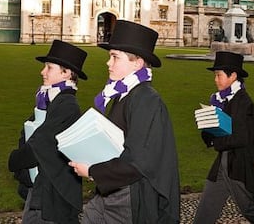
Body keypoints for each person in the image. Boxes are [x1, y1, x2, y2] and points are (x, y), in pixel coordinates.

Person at [69, 20, 180, 223]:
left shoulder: (146, 99)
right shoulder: (124, 94)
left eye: (114, 57)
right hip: (111, 188)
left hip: (129, 196)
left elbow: (138, 161)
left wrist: (92, 171)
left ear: (136, 63)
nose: (108, 63)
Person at [8, 40, 88, 223]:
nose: (42, 72)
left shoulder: (67, 105)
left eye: (49, 67)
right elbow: (27, 134)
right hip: (42, 189)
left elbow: (40, 145)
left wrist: (13, 161)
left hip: (53, 196)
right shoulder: (49, 100)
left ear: (66, 73)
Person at [193, 51, 254, 224]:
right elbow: (218, 131)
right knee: (206, 210)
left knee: (252, 211)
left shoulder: (244, 102)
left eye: (219, 75)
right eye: (215, 75)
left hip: (240, 167)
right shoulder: (220, 100)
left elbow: (241, 139)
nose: (215, 79)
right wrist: (207, 126)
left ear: (233, 75)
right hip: (222, 165)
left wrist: (213, 141)